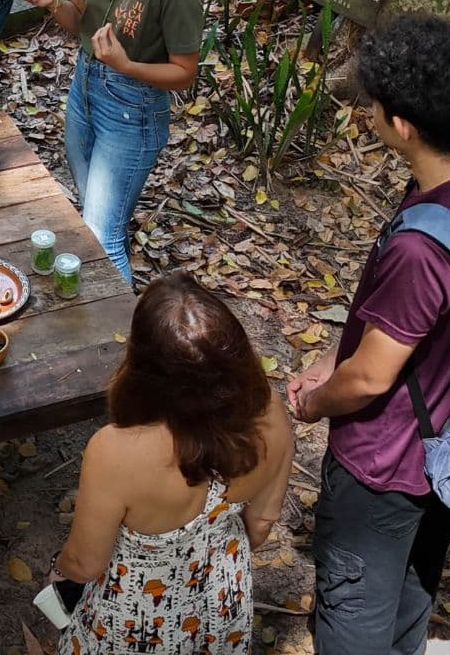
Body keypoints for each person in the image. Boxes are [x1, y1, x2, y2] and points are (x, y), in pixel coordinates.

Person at [286, 14, 450, 655]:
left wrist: (316, 402)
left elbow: (370, 379)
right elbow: (407, 323)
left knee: (353, 607)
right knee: (412, 584)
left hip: (385, 461)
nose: (369, 114)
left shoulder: (419, 250)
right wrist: (335, 353)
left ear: (403, 125)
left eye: (376, 106)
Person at [50, 272, 293, 654]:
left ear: (142, 366)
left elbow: (85, 563)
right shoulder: (271, 412)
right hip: (223, 594)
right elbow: (261, 524)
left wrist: (58, 567)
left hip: (136, 615)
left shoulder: (116, 450)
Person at [16, 0, 202, 281]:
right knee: (93, 217)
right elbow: (78, 19)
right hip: (85, 89)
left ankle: (121, 320)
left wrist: (126, 64)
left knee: (103, 234)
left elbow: (184, 73)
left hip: (132, 111)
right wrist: (53, 3)